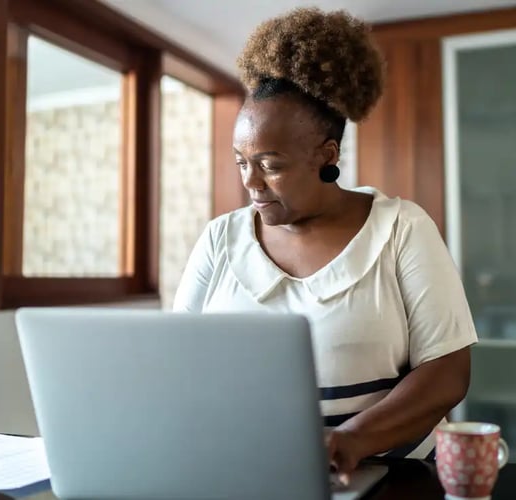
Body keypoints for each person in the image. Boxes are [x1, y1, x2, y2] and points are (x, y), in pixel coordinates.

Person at [173, 7, 477, 477]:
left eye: (271, 165)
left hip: (389, 475)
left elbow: (447, 373)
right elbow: (176, 359)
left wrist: (352, 440)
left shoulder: (402, 229)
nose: (251, 183)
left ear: (326, 155)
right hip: (250, 473)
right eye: (241, 162)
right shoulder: (219, 239)